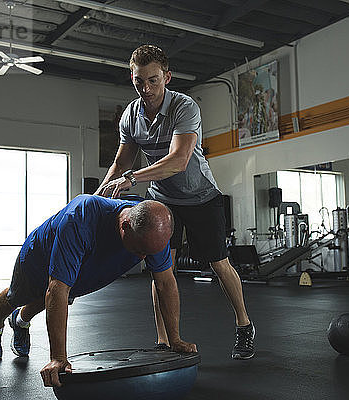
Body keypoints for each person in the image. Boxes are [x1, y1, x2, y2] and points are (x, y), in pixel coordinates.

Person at [95, 44, 255, 360]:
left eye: (153, 80)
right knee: (159, 265)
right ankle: (164, 340)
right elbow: (120, 162)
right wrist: (96, 197)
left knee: (218, 262)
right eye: (139, 80)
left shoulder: (185, 108)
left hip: (200, 196)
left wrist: (130, 179)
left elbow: (178, 160)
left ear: (167, 77)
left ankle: (244, 325)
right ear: (132, 76)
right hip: (161, 199)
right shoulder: (130, 115)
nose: (146, 88)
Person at [0, 194, 197, 388]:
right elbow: (56, 289)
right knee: (18, 297)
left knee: (49, 300)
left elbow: (165, 283)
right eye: (140, 251)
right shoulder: (81, 217)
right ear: (125, 226)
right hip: (37, 259)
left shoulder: (152, 229)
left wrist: (175, 339)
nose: (143, 258)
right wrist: (58, 357)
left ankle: (20, 322)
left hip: (86, 267)